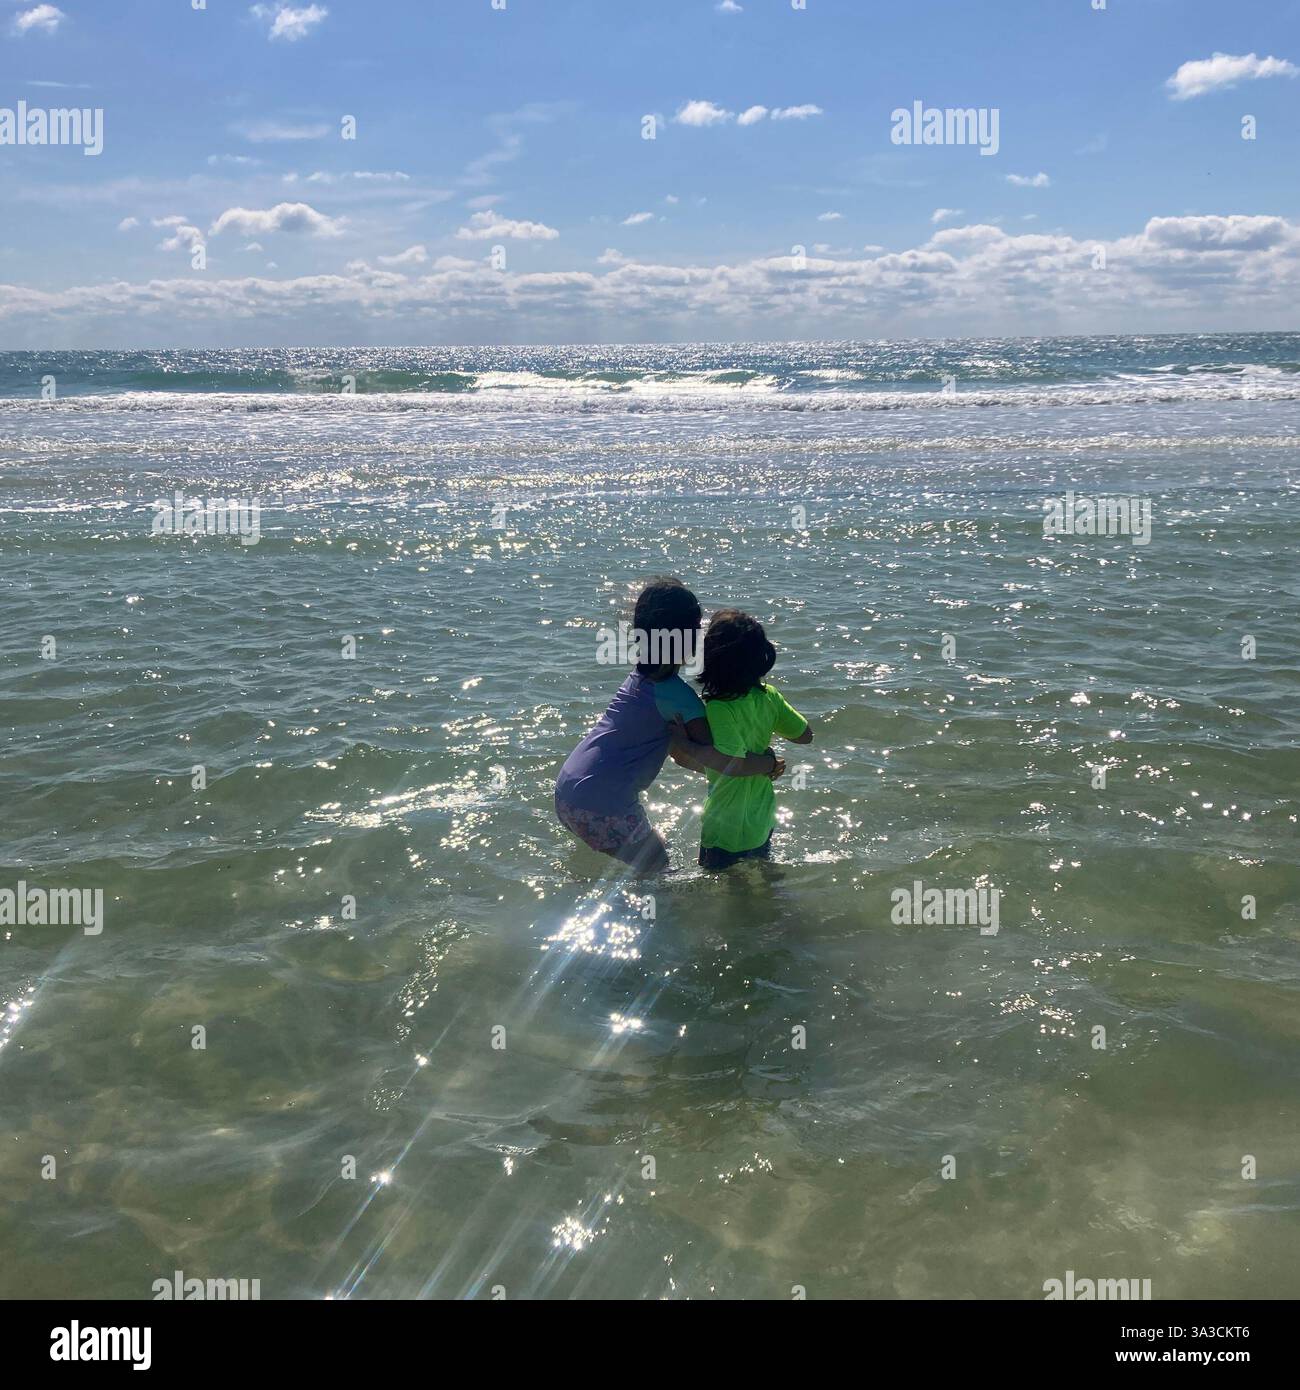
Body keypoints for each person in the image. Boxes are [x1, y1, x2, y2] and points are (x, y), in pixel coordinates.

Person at [555, 579, 781, 872]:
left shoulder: (637, 681)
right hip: (603, 803)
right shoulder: (680, 699)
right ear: (686, 640)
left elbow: (681, 754)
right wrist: (766, 764)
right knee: (658, 865)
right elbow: (721, 760)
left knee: (648, 850)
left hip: (568, 791)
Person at [689, 608, 812, 870]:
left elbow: (734, 764)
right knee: (762, 880)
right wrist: (767, 752)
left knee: (716, 890)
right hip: (761, 818)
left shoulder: (719, 707)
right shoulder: (770, 696)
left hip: (724, 825)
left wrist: (685, 744)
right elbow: (805, 736)